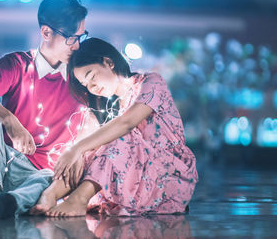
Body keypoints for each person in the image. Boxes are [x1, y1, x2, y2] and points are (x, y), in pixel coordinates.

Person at [30, 38, 198, 217]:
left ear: (108, 62)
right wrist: (78, 152)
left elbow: (127, 124)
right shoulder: (108, 106)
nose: (92, 87)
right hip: (134, 175)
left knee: (118, 135)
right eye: (86, 85)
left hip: (168, 175)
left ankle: (79, 199)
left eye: (92, 76)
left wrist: (78, 148)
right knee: (86, 150)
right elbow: (86, 136)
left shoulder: (150, 82)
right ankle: (50, 195)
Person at [0, 0, 88, 219]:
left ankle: (9, 203)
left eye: (81, 37)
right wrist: (9, 119)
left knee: (50, 181)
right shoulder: (18, 65)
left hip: (44, 174)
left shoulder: (83, 76)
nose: (77, 46)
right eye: (71, 38)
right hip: (3, 162)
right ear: (46, 32)